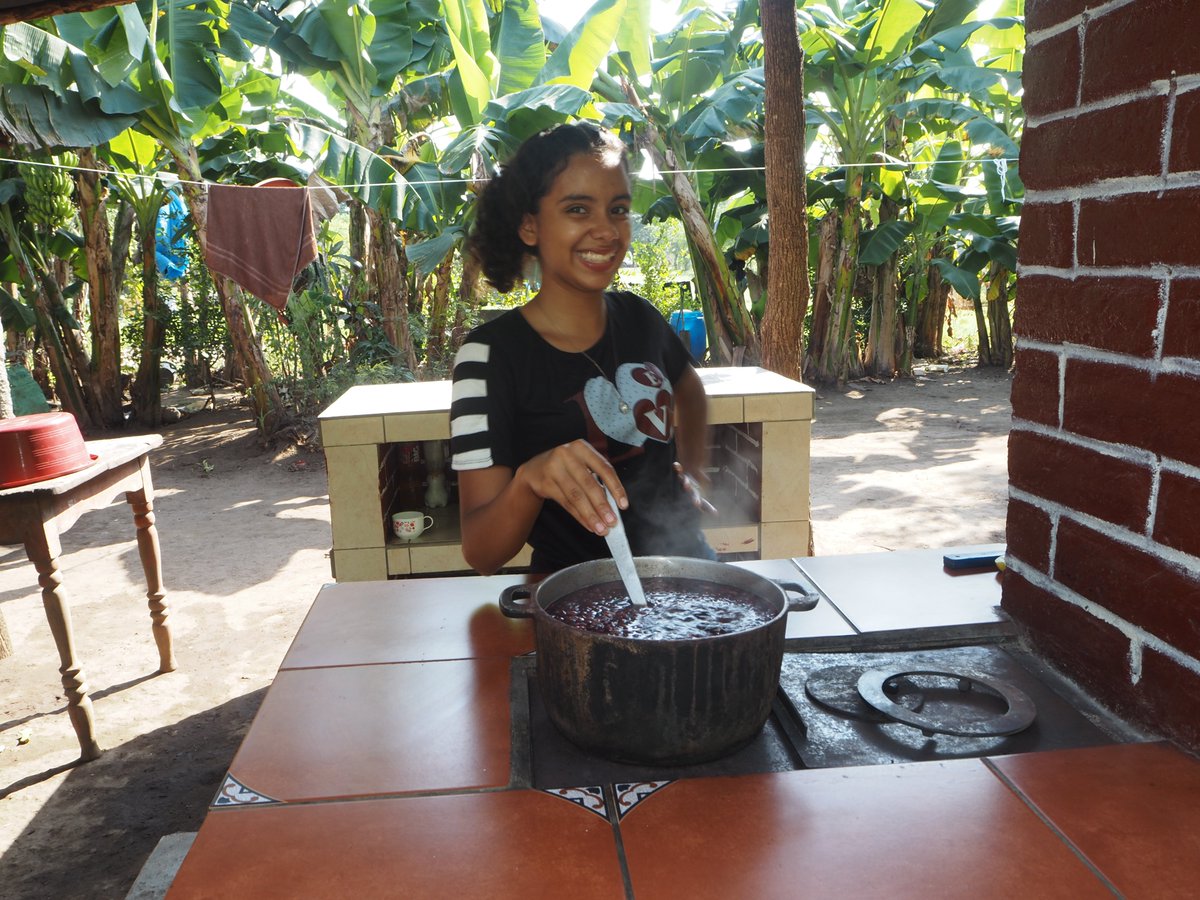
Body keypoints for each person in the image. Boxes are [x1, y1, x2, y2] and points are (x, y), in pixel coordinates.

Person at [449, 121, 715, 576]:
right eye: (577, 209)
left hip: (686, 572)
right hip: (571, 592)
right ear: (529, 226)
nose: (606, 231)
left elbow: (691, 392)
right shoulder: (488, 357)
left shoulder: (641, 317)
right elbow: (482, 552)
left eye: (618, 209)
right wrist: (530, 480)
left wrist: (692, 471)